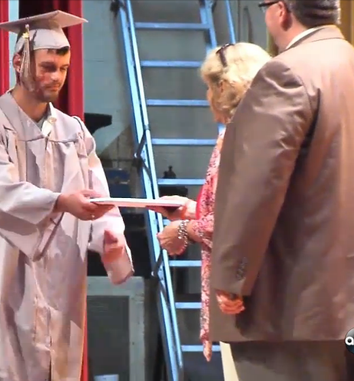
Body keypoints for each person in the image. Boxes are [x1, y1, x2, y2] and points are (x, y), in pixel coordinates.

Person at [210, 0, 354, 380]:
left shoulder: (288, 71)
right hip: (353, 298)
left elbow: (257, 184)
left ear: (281, 10)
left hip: (290, 303)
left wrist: (233, 277)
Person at [0, 11, 134, 381]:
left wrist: (109, 238)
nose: (56, 78)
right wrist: (60, 202)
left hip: (61, 269)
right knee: (0, 362)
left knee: (55, 363)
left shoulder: (74, 132)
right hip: (3, 261)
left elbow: (97, 196)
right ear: (19, 61)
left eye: (64, 69)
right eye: (48, 67)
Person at [150, 43, 270, 378]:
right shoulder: (242, 133)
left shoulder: (248, 137)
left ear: (225, 87)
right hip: (239, 287)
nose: (206, 96)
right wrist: (190, 210)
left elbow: (243, 218)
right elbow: (228, 205)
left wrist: (185, 230)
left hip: (248, 292)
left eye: (209, 86)